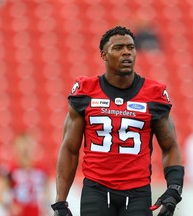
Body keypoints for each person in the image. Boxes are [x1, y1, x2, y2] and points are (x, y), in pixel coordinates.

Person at [51, 26, 184, 216]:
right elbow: (70, 149)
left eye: (131, 47)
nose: (126, 53)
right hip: (96, 189)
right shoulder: (86, 91)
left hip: (138, 191)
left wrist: (174, 189)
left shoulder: (153, 94)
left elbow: (170, 146)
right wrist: (60, 201)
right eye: (118, 48)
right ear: (104, 55)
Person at [0, 133, 50, 216]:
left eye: (27, 145)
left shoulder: (41, 169)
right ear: (16, 148)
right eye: (22, 146)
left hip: (36, 212)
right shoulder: (9, 169)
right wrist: (10, 206)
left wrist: (46, 207)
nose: (25, 149)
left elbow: (47, 193)